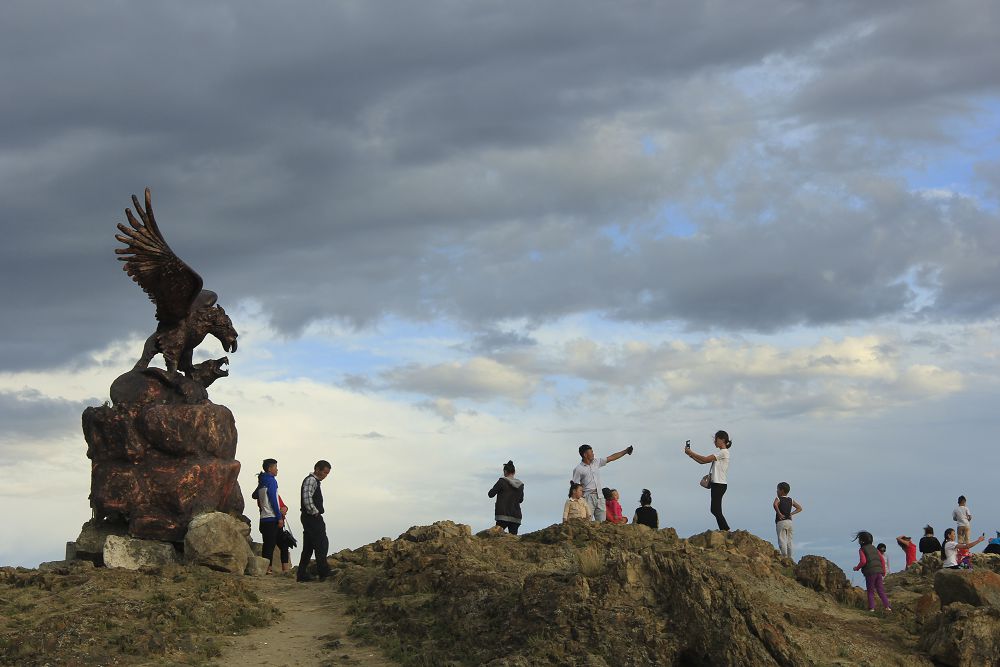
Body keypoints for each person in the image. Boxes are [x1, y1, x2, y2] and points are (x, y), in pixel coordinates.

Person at [571, 443, 634, 522]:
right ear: (585, 454)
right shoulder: (578, 469)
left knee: (602, 522)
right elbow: (574, 487)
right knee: (587, 521)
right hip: (588, 497)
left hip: (600, 496)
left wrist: (625, 451)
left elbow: (611, 458)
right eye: (591, 452)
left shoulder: (596, 462)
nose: (593, 454)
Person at [684, 430, 732, 531]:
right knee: (714, 509)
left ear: (722, 440)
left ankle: (726, 530)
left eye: (716, 439)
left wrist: (691, 452)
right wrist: (691, 455)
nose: (715, 442)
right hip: (717, 484)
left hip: (720, 484)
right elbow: (702, 462)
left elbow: (705, 459)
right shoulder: (721, 453)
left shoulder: (723, 452)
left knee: (715, 509)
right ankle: (724, 530)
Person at [297, 460, 332, 582]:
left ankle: (301, 574)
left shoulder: (312, 481)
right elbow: (307, 498)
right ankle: (324, 572)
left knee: (308, 546)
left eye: (327, 473)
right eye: (324, 472)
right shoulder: (311, 480)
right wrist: (315, 512)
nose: (325, 475)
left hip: (308, 517)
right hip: (312, 517)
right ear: (317, 469)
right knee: (321, 543)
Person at [254, 458, 285, 575]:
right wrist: (279, 517)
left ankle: (267, 568)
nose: (277, 469)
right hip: (271, 517)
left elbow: (254, 495)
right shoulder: (271, 481)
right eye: (275, 467)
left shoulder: (262, 481)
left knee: (267, 544)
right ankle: (267, 569)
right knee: (270, 545)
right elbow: (273, 499)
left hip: (263, 518)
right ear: (270, 468)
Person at [852, 531, 890, 612]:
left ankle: (872, 608)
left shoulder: (862, 549)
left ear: (862, 541)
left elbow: (863, 561)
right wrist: (883, 571)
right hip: (879, 572)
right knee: (880, 590)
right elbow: (882, 560)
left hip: (870, 572)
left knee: (870, 591)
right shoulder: (875, 549)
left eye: (859, 539)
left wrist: (857, 568)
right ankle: (888, 607)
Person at [488, 460, 524, 535]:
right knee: (513, 541)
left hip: (502, 515)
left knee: (497, 538)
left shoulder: (502, 481)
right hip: (516, 517)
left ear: (505, 471)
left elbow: (491, 494)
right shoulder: (520, 485)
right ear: (514, 472)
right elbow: (520, 500)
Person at [773, 482, 802, 560]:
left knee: (781, 538)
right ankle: (791, 558)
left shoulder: (778, 498)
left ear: (781, 491)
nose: (776, 491)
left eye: (777, 490)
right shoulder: (791, 500)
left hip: (781, 521)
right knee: (789, 540)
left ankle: (784, 556)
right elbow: (799, 508)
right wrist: (791, 514)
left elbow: (775, 504)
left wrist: (779, 513)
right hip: (789, 522)